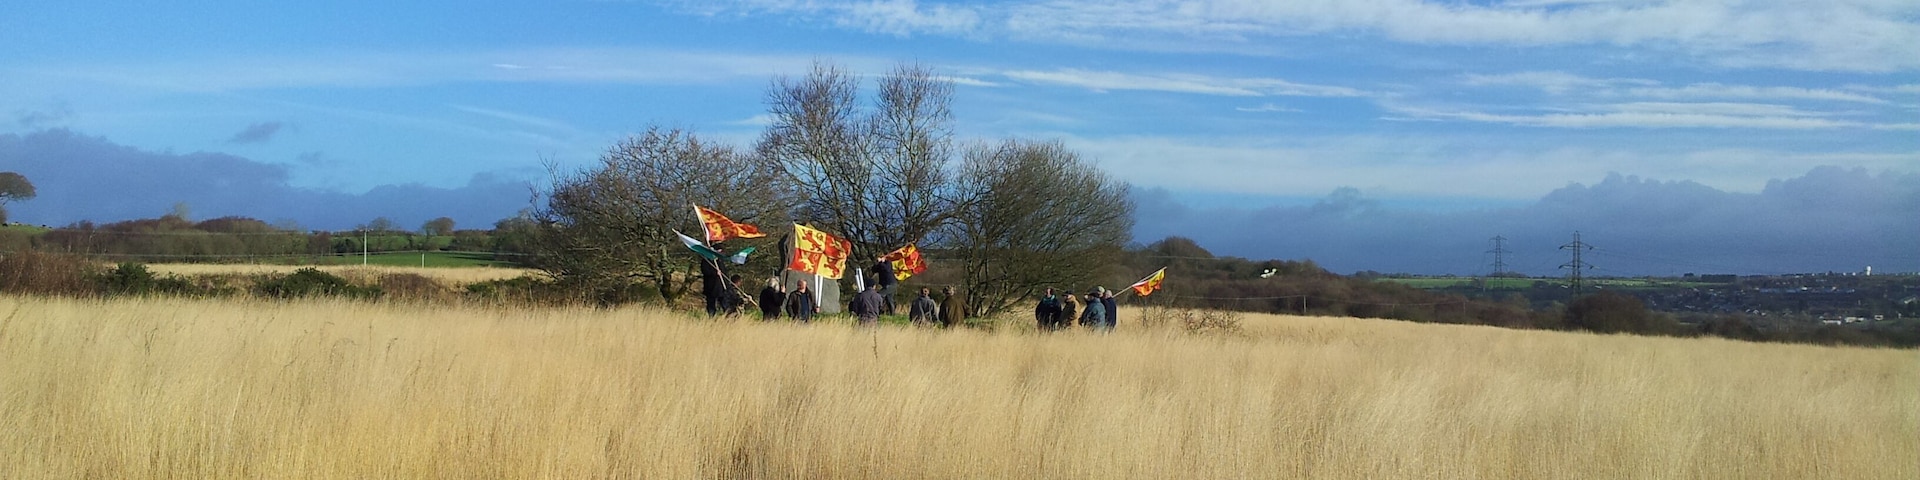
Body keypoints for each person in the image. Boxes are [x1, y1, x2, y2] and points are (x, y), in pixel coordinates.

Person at [699, 246, 728, 317]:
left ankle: (728, 320)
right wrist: (715, 273)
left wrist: (727, 286)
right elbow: (705, 271)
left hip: (721, 288)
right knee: (711, 306)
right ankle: (712, 319)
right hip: (711, 288)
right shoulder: (706, 260)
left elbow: (724, 274)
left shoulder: (720, 261)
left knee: (725, 305)